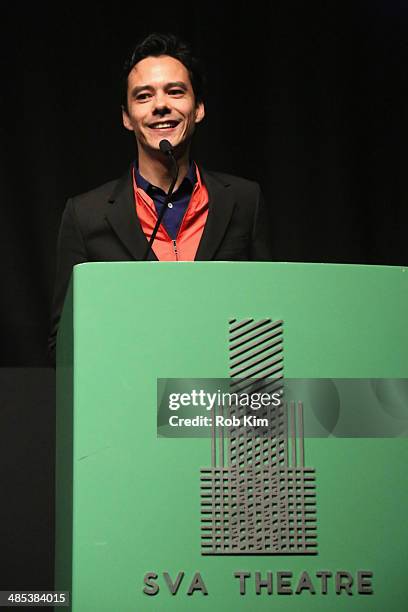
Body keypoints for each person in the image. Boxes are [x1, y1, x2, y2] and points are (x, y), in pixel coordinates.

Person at [48, 32, 272, 363]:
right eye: (143, 96)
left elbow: (268, 315)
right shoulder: (85, 215)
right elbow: (63, 344)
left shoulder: (244, 201)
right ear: (127, 117)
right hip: (127, 401)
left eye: (175, 91)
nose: (161, 105)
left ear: (198, 109)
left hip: (219, 405)